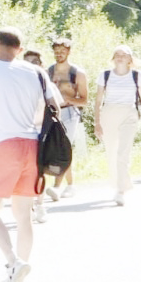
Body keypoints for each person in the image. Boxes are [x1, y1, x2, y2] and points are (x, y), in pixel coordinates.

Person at [0, 29, 60, 282]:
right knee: (23, 215)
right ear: (19, 49)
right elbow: (55, 107)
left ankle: (13, 262)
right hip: (31, 146)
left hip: (2, 145)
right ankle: (20, 276)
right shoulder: (37, 72)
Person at [94, 45, 141, 205]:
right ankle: (119, 184)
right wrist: (97, 123)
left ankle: (121, 190)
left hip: (129, 114)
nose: (120, 57)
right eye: (117, 54)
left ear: (130, 59)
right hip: (109, 113)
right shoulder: (105, 75)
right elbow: (98, 101)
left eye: (124, 55)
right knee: (112, 152)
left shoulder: (137, 76)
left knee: (123, 152)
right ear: (113, 58)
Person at [46, 38, 88, 200]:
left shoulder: (78, 73)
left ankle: (56, 187)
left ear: (69, 52)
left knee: (64, 147)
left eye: (62, 51)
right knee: (56, 148)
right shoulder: (48, 72)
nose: (59, 54)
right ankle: (71, 185)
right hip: (52, 114)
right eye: (56, 51)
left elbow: (84, 100)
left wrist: (66, 99)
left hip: (70, 113)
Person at [20, 50, 51, 224]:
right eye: (27, 62)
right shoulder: (16, 83)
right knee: (25, 171)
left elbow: (55, 106)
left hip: (40, 132)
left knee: (39, 171)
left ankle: (39, 204)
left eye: (35, 62)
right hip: (21, 133)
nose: (31, 65)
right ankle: (27, 206)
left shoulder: (45, 82)